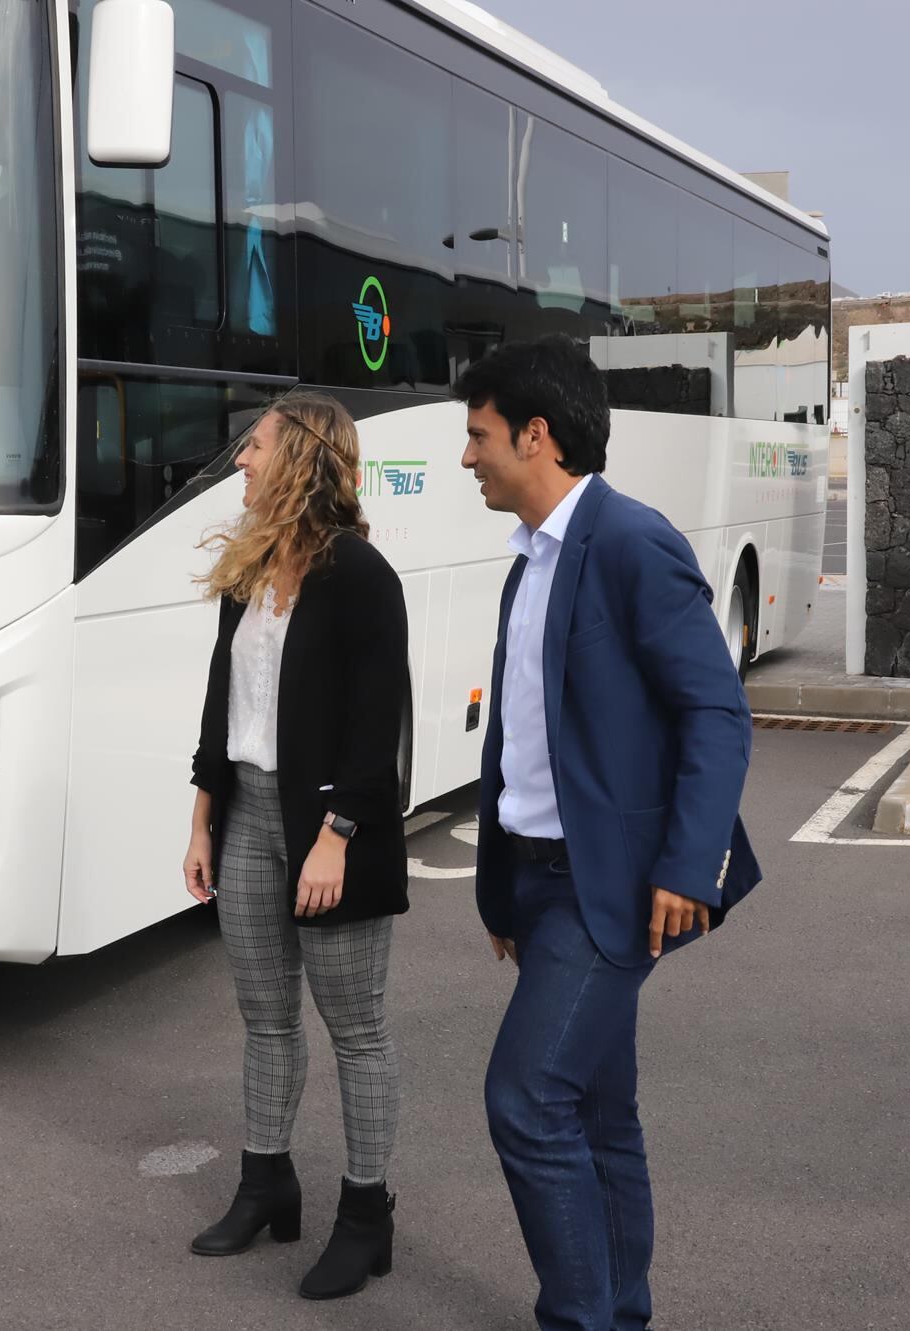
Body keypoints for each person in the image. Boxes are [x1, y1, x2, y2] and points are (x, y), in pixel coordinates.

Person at [458, 337, 761, 1331]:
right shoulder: (526, 563)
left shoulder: (630, 541)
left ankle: (579, 1320)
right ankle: (619, 1310)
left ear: (533, 435)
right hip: (541, 886)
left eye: (478, 434)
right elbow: (523, 739)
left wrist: (686, 863)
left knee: (523, 1098)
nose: (467, 456)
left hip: (613, 887)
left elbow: (714, 710)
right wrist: (501, 890)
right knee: (594, 1111)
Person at [183, 392, 411, 1301]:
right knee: (265, 1017)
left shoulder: (361, 575)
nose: (241, 459)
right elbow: (219, 704)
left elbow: (375, 729)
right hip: (247, 814)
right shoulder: (249, 569)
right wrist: (201, 818)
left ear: (303, 457)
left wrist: (337, 838)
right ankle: (266, 1180)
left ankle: (367, 1214)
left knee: (356, 1029)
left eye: (257, 445)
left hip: (328, 829)